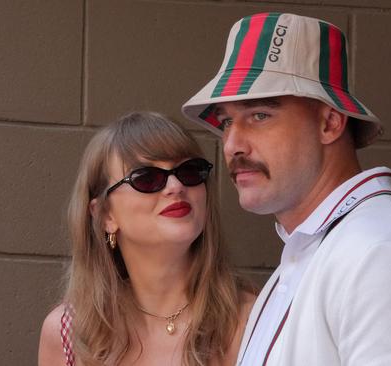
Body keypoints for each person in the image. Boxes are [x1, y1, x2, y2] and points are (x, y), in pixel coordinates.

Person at [182, 12, 391, 365]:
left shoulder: (381, 252)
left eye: (259, 115)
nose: (232, 145)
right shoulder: (319, 248)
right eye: (226, 121)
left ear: (329, 123)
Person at [38, 112, 254, 366]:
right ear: (105, 214)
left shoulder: (251, 319)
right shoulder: (69, 333)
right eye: (147, 178)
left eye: (190, 171)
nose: (175, 185)